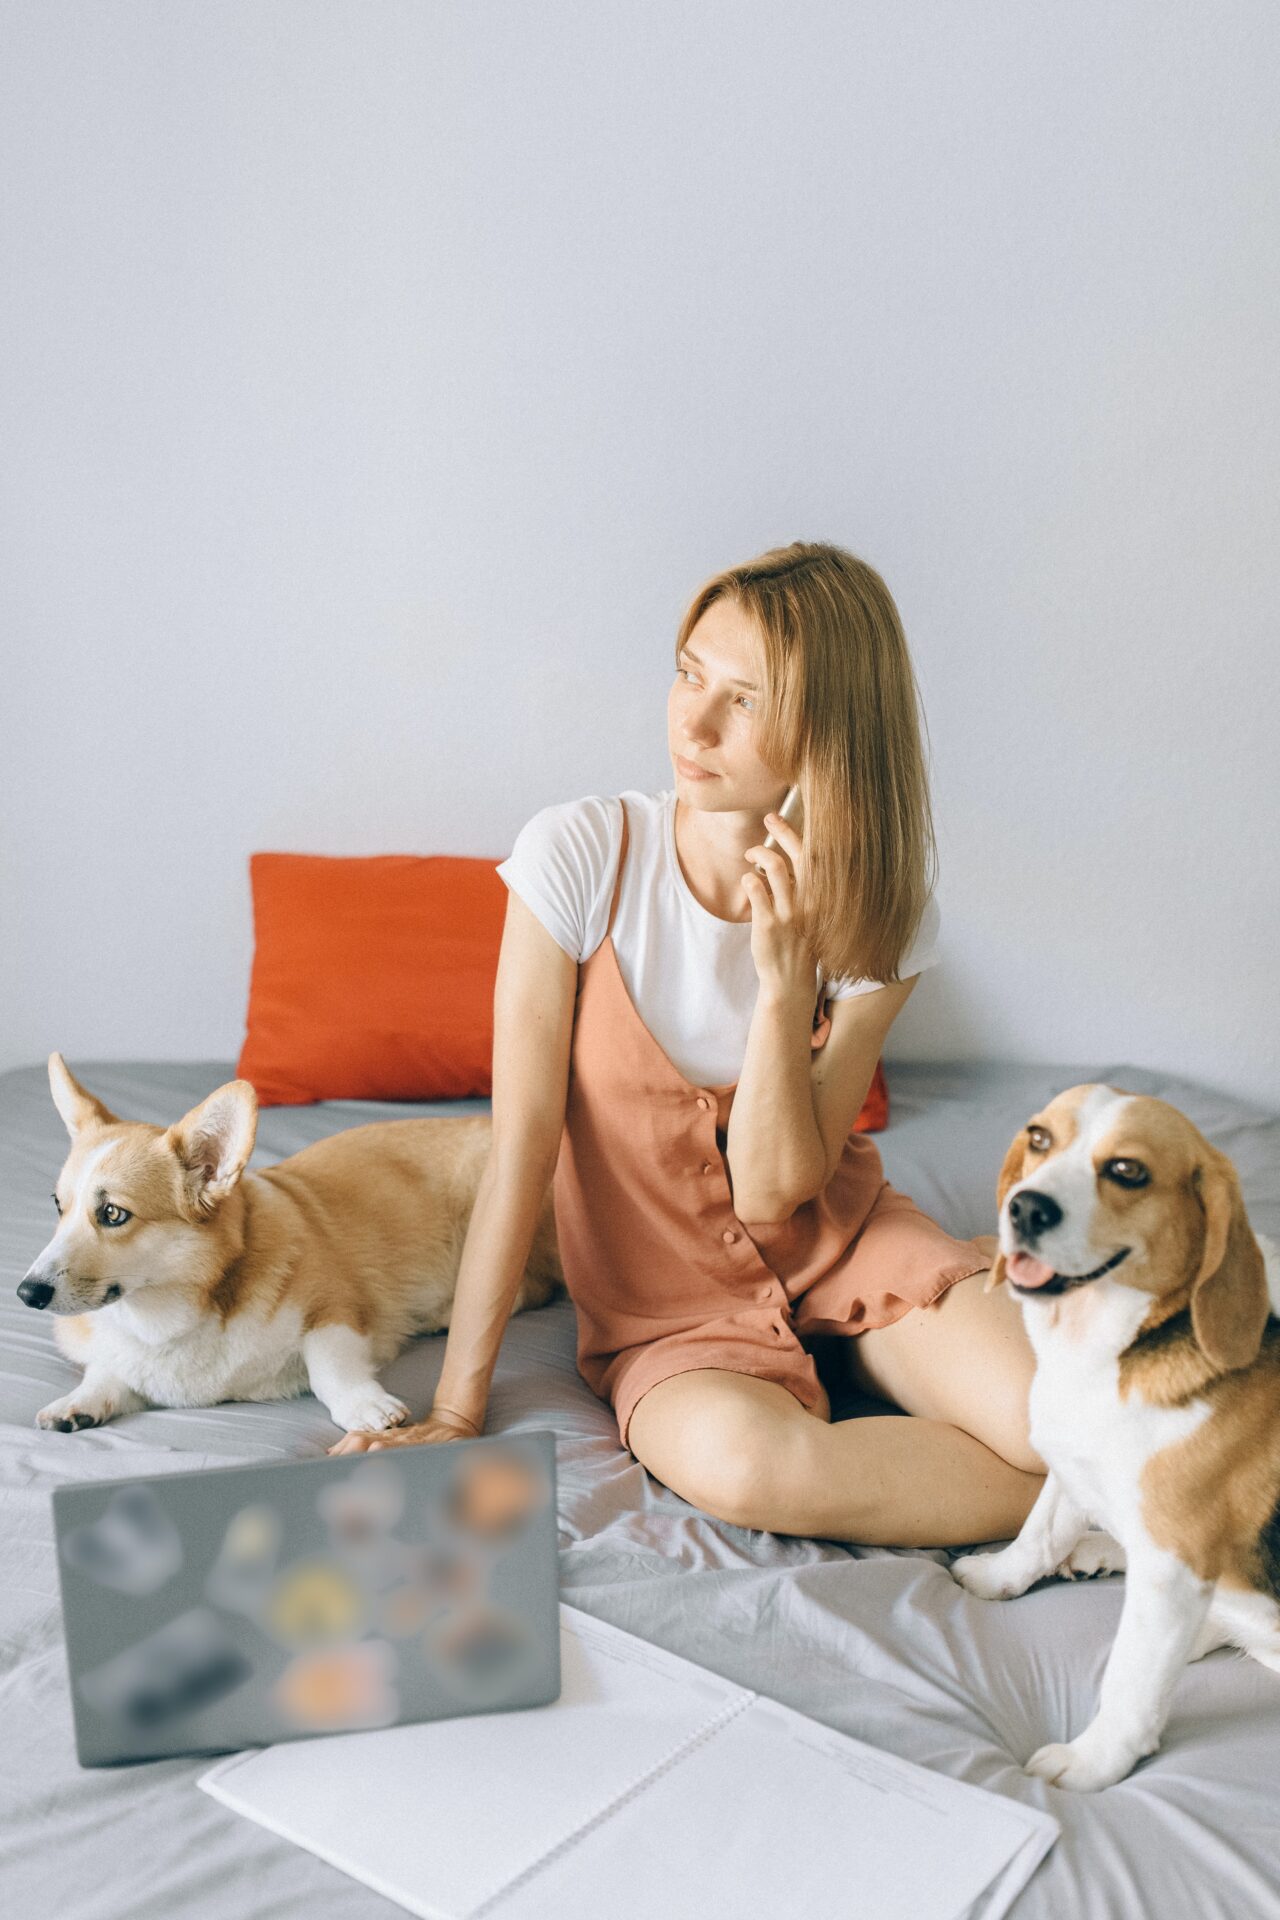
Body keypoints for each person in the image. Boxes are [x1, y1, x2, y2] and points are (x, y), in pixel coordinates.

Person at [330, 541, 1046, 1549]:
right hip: (662, 1311)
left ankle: (1091, 1483)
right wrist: (455, 1410)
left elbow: (770, 1193)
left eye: (743, 701)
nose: (692, 722)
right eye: (686, 673)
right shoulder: (580, 857)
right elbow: (524, 1143)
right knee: (760, 1469)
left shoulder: (877, 908)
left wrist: (783, 983)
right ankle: (1102, 1514)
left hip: (842, 1246)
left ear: (828, 730)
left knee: (1049, 1424)